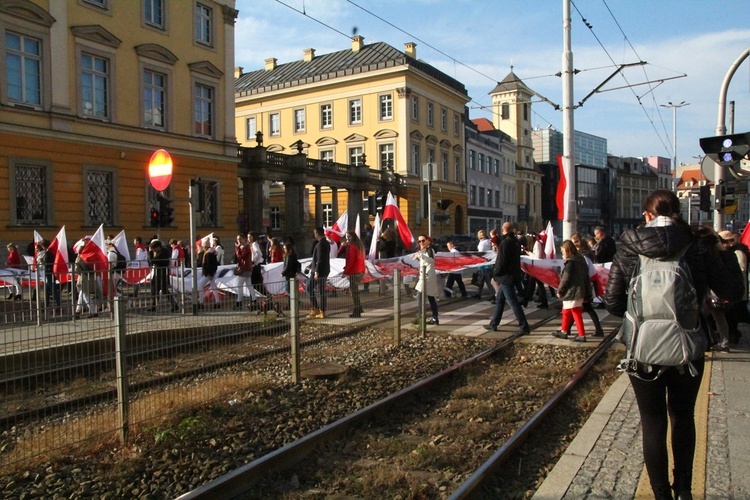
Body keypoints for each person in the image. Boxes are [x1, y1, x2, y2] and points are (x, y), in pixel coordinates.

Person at [605, 189, 742, 499]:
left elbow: (612, 302)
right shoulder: (697, 242)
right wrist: (724, 250)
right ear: (678, 212)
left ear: (648, 215)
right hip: (688, 346)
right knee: (683, 417)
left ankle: (660, 494)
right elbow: (732, 291)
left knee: (652, 422)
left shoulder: (628, 242)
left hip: (643, 348)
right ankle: (683, 491)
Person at [484, 222, 529, 334]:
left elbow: (501, 261)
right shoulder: (515, 241)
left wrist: (496, 273)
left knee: (512, 301)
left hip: (505, 276)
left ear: (504, 230)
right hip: (513, 274)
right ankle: (494, 323)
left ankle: (524, 326)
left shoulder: (505, 243)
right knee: (500, 300)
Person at [552, 240, 590, 342]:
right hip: (580, 289)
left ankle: (581, 335)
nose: (562, 253)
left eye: (563, 251)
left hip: (573, 290)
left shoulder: (570, 262)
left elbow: (566, 278)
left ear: (568, 250)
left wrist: (560, 290)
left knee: (575, 311)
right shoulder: (580, 259)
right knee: (566, 310)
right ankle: (564, 331)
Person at [568, 232, 604, 336]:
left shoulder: (584, 256)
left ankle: (566, 330)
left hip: (585, 286)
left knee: (578, 307)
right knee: (583, 307)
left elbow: (586, 272)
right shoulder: (585, 254)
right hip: (586, 285)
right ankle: (566, 329)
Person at [719, 230, 749, 345]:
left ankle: (734, 334)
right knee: (734, 313)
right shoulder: (734, 252)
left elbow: (741, 269)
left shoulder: (737, 252)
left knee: (735, 313)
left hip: (737, 289)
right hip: (735, 288)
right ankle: (734, 333)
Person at [412, 235, 439, 325]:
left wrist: (420, 255)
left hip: (428, 277)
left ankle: (421, 317)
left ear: (428, 241)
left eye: (423, 241)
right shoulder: (422, 251)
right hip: (423, 276)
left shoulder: (430, 250)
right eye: (419, 241)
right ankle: (434, 318)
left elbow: (431, 260)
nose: (421, 243)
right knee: (430, 297)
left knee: (421, 295)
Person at [306, 227, 330, 319]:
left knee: (309, 288)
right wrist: (311, 264)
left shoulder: (320, 244)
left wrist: (316, 271)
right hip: (325, 269)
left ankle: (315, 308)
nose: (314, 235)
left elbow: (320, 259)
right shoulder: (326, 243)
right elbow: (321, 258)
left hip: (319, 271)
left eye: (314, 233)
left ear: (317, 233)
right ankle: (322, 311)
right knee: (321, 291)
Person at [148, 240, 178, 312]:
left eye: (154, 249)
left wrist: (150, 253)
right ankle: (153, 305)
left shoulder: (162, 252)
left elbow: (153, 261)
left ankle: (174, 304)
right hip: (159, 273)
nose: (154, 251)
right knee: (155, 290)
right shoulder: (162, 252)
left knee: (164, 290)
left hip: (161, 274)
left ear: (158, 247)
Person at [342, 231, 366, 317]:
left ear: (352, 237)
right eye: (346, 237)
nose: (347, 238)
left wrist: (346, 272)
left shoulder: (352, 247)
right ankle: (358, 309)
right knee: (355, 291)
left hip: (354, 272)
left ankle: (357, 311)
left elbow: (351, 260)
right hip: (359, 271)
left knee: (354, 292)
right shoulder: (359, 246)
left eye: (348, 237)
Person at [522, 232, 548, 309]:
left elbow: (538, 257)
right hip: (535, 267)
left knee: (537, 285)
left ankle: (527, 300)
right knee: (534, 284)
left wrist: (529, 253)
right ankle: (527, 300)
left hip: (537, 267)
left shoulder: (537, 243)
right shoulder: (535, 243)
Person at [36, 239, 60, 308]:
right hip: (48, 272)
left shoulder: (48, 253)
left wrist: (41, 261)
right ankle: (46, 304)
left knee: (53, 289)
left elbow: (47, 263)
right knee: (46, 290)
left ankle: (58, 304)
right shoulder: (49, 252)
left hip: (48, 272)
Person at [197, 241, 220, 309]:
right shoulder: (212, 253)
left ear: (205, 247)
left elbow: (208, 264)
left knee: (200, 286)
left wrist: (209, 273)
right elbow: (215, 264)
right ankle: (217, 302)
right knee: (214, 287)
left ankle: (201, 302)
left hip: (208, 273)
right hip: (211, 273)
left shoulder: (208, 254)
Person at [233, 234, 253, 310]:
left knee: (239, 285)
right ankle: (253, 300)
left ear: (244, 239)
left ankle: (239, 302)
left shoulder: (246, 247)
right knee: (249, 285)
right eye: (238, 239)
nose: (239, 241)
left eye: (240, 239)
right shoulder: (244, 247)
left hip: (245, 269)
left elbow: (241, 257)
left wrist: (237, 248)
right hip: (246, 268)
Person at [473, 230, 494, 299]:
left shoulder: (482, 243)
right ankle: (478, 293)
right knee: (482, 279)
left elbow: (481, 253)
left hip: (483, 264)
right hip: (488, 262)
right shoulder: (488, 241)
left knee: (486, 280)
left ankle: (492, 294)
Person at [281, 241, 300, 309]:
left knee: (287, 290)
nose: (284, 250)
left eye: (285, 248)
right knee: (289, 290)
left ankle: (296, 301)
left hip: (289, 275)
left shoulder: (289, 256)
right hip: (291, 274)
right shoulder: (292, 255)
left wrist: (282, 273)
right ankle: (290, 304)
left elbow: (287, 266)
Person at [248, 232, 265, 304]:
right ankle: (253, 300)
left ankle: (254, 300)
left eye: (249, 237)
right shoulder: (252, 244)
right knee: (253, 284)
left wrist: (253, 261)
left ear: (252, 237)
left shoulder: (254, 244)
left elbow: (259, 253)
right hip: (255, 266)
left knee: (254, 283)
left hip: (255, 266)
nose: (248, 238)